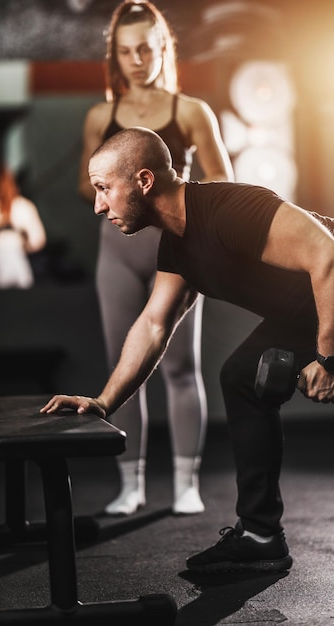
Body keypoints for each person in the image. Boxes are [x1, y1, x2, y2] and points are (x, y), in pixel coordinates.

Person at [42, 127, 334, 573]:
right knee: (242, 377)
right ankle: (260, 535)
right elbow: (155, 325)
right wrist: (103, 402)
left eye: (104, 188)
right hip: (318, 307)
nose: (99, 205)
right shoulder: (178, 247)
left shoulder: (229, 208)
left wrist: (329, 361)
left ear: (143, 181)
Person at [78, 1, 234, 516]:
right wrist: (118, 183)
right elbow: (87, 184)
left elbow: (224, 187)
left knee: (182, 368)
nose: (137, 59)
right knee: (123, 364)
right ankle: (131, 484)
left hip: (177, 252)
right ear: (115, 56)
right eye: (125, 51)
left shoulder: (189, 112)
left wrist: (169, 195)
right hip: (117, 255)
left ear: (163, 47)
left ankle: (186, 482)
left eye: (146, 48)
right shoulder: (101, 115)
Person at [0, 160, 46, 288]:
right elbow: (37, 241)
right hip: (20, 271)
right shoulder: (24, 206)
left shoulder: (21, 205)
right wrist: (23, 244)